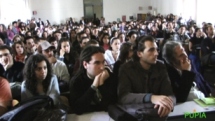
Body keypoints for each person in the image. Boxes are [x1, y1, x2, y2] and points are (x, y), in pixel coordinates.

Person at [118, 36, 175, 118]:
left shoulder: (160, 66)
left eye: (156, 49)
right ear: (139, 53)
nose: (156, 53)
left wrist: (168, 104)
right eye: (151, 50)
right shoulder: (126, 69)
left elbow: (170, 94)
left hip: (157, 114)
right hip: (135, 115)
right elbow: (123, 97)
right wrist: (150, 97)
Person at [69, 46, 117, 114]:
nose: (102, 67)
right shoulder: (76, 81)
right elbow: (77, 109)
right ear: (85, 64)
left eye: (103, 62)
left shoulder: (109, 76)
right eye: (97, 63)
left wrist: (101, 85)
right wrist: (94, 86)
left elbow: (113, 103)